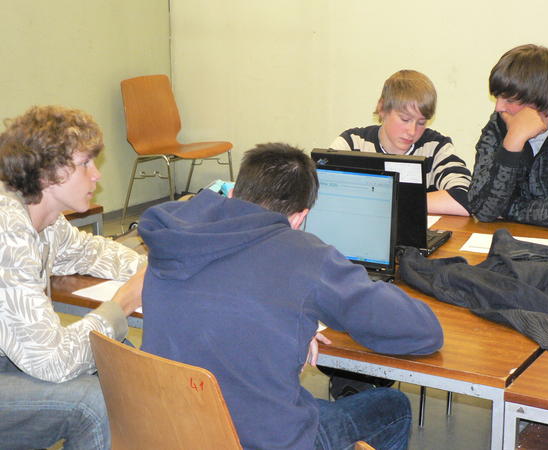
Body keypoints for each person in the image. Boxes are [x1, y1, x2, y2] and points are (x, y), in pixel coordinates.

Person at [139, 143, 443, 449]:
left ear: (233, 194)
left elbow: (220, 305)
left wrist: (290, 324)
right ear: (299, 218)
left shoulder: (172, 237)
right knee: (392, 406)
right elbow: (424, 332)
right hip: (258, 440)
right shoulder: (306, 256)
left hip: (172, 429)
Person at [0, 105, 147, 450]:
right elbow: (51, 362)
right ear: (46, 173)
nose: (96, 174)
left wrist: (150, 271)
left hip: (9, 356)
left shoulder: (44, 217)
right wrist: (122, 304)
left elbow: (89, 251)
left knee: (121, 362)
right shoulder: (7, 229)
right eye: (85, 163)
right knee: (91, 403)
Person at [468, 44, 548, 230]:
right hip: (516, 238)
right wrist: (512, 144)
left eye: (510, 100)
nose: (498, 107)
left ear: (540, 100)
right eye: (498, 97)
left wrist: (506, 209)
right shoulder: (498, 125)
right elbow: (480, 207)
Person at [330, 69, 472, 216]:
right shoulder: (352, 144)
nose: (412, 131)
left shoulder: (435, 147)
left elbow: (466, 198)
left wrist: (389, 202)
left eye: (421, 122)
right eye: (405, 119)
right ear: (382, 108)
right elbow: (321, 193)